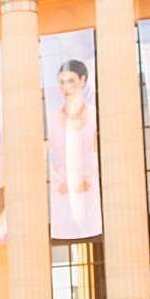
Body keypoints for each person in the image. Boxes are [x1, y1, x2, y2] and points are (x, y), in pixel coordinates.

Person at [46, 59, 102, 238]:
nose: (65, 87)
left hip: (90, 188)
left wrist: (82, 179)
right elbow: (48, 159)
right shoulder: (52, 119)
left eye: (71, 81)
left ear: (83, 80)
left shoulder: (94, 114)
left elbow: (96, 154)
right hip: (62, 192)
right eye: (61, 82)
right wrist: (65, 181)